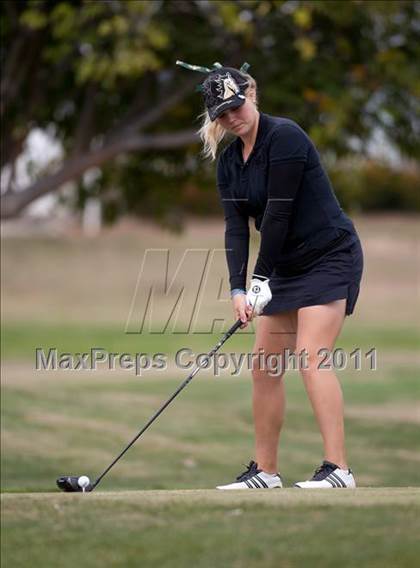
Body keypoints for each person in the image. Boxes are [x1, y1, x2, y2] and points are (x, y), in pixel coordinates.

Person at [176, 60, 364, 489]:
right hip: (284, 265)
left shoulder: (285, 137)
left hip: (329, 254)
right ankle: (265, 472)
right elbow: (235, 228)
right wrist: (239, 288)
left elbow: (278, 213)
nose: (232, 117)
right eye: (222, 113)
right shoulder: (228, 162)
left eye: (236, 106)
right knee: (264, 367)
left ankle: (339, 470)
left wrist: (261, 280)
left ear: (252, 95)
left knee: (311, 355)